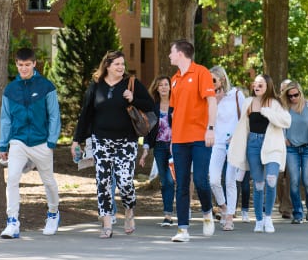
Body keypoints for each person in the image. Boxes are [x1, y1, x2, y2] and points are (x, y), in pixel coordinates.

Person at [71, 50, 155, 239]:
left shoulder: (131, 84)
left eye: (122, 64)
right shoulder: (96, 86)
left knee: (125, 181)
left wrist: (133, 99)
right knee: (103, 182)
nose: (121, 67)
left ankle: (129, 210)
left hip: (126, 141)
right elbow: (86, 114)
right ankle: (107, 223)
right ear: (107, 66)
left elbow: (150, 105)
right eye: (117, 64)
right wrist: (77, 140)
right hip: (101, 140)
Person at [0, 48, 62, 239]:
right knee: (12, 179)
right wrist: (3, 145)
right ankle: (12, 222)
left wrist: (51, 141)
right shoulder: (10, 90)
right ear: (16, 65)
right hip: (18, 141)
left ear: (34, 64)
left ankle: (53, 213)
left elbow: (54, 115)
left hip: (42, 141)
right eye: (20, 65)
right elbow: (5, 119)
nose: (23, 68)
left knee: (48, 180)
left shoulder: (46, 87)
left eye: (27, 65)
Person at [167, 39, 218, 243]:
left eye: (171, 52)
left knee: (200, 180)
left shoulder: (201, 72)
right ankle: (182, 230)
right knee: (181, 185)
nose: (169, 55)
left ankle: (207, 211)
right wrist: (172, 138)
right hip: (179, 139)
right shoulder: (174, 79)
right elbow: (173, 112)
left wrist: (211, 129)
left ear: (180, 53)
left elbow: (211, 101)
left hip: (200, 136)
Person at [227, 74, 291, 233]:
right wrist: (235, 140)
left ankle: (268, 218)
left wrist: (269, 113)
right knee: (258, 184)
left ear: (268, 86)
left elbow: (286, 121)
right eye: (255, 84)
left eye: (260, 84)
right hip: (253, 144)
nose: (256, 86)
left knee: (271, 179)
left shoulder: (275, 103)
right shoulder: (248, 102)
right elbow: (243, 126)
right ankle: (259, 220)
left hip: (272, 145)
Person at [208, 66, 247, 231]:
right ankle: (223, 207)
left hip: (234, 142)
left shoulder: (236, 94)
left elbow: (245, 117)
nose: (212, 83)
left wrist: (237, 136)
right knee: (214, 179)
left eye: (214, 80)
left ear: (222, 79)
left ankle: (230, 216)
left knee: (230, 180)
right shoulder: (210, 97)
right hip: (217, 142)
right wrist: (215, 100)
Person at [281, 81, 308, 223]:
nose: (293, 98)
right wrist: (284, 139)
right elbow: (281, 126)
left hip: (307, 148)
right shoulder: (285, 108)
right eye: (290, 96)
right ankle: (298, 212)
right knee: (293, 181)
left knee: (307, 181)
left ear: (300, 93)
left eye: (295, 95)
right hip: (291, 149)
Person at [141, 75, 175, 227]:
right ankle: (167, 215)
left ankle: (181, 212)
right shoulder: (153, 107)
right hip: (160, 147)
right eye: (160, 85)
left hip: (177, 148)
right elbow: (149, 131)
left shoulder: (177, 105)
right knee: (166, 181)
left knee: (177, 180)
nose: (163, 87)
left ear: (170, 87)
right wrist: (145, 150)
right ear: (156, 88)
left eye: (166, 84)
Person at [275, 79, 294, 219]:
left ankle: (287, 207)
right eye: (282, 89)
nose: (283, 92)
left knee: (289, 178)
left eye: (286, 89)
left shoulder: (295, 105)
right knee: (277, 177)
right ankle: (282, 203)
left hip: (292, 147)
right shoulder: (276, 105)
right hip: (277, 146)